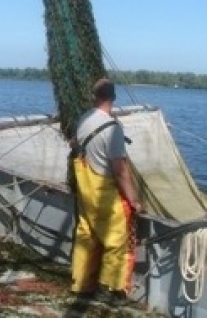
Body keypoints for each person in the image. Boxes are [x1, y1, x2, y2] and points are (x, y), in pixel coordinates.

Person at [70, 78, 143, 306]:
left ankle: (81, 285)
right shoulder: (112, 129)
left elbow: (73, 144)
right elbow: (120, 170)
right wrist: (134, 200)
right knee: (117, 240)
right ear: (113, 97)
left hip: (85, 189)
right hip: (105, 192)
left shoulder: (84, 119)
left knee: (86, 235)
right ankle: (109, 289)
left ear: (95, 96)